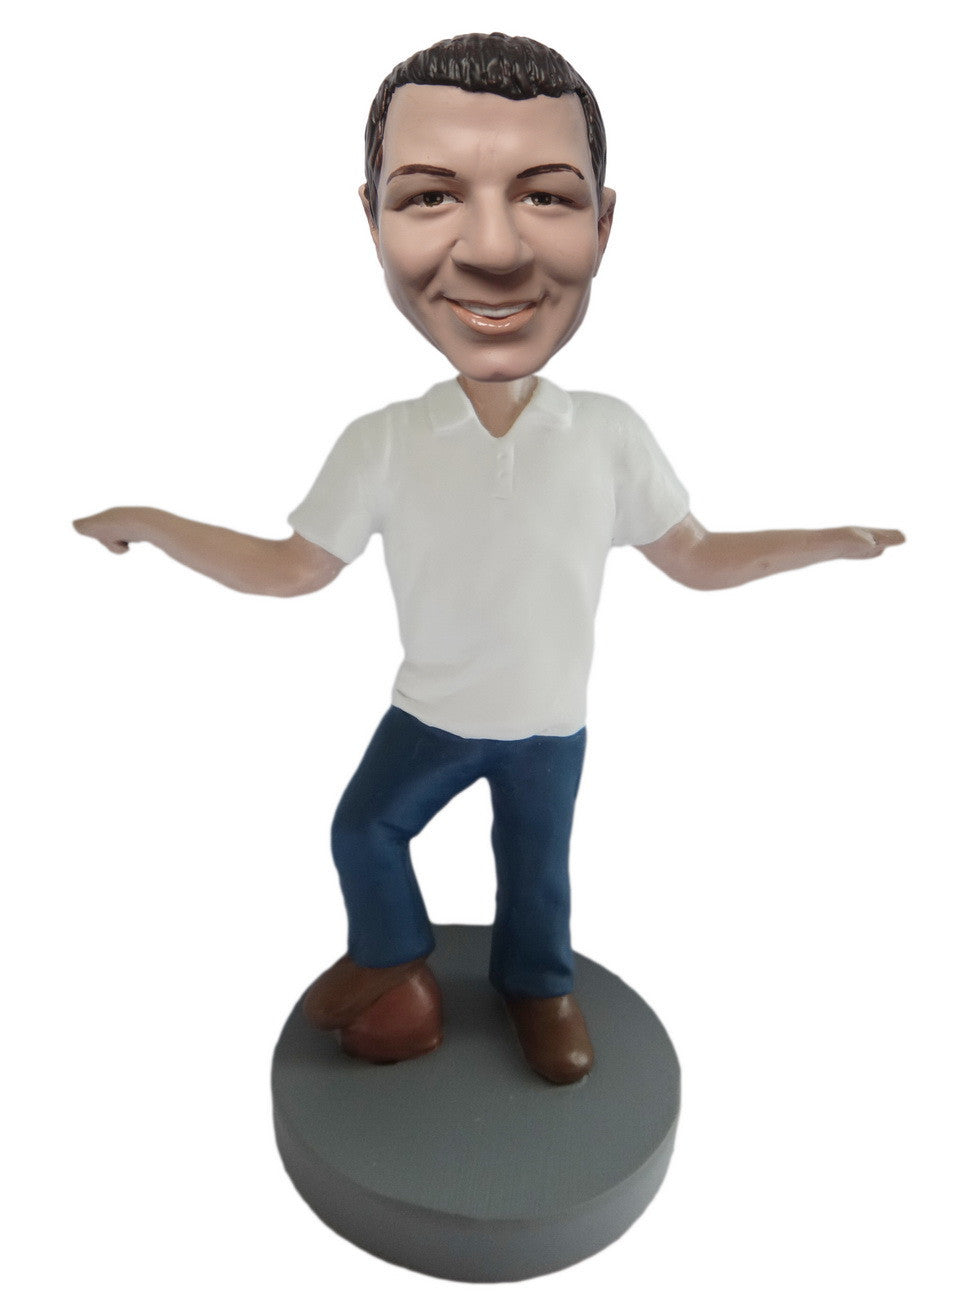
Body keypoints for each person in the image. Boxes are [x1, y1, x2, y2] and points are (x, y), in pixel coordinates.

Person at [74, 33, 904, 1085]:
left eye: (546, 197)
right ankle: (392, 959)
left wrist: (829, 543)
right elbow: (292, 568)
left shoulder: (607, 434)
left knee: (537, 869)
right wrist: (152, 521)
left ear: (603, 224)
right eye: (429, 197)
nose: (494, 253)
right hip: (430, 713)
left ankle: (539, 988)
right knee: (364, 830)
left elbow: (694, 557)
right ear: (372, 222)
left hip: (548, 721)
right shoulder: (386, 440)